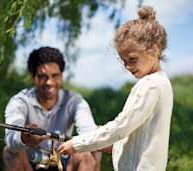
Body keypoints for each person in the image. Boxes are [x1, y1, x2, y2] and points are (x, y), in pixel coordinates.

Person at [58, 6, 173, 171]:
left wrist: (77, 144)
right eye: (123, 60)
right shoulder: (163, 82)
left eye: (132, 59)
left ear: (153, 50)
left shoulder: (150, 85)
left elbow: (121, 127)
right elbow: (138, 132)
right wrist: (110, 141)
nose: (127, 66)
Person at [2, 47, 102, 171]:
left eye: (55, 75)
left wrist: (101, 135)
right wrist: (23, 138)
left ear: (61, 75)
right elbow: (11, 140)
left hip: (64, 164)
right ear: (33, 77)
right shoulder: (19, 101)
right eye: (43, 76)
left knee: (88, 154)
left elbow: (88, 130)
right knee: (9, 152)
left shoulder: (75, 101)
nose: (49, 82)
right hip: (30, 163)